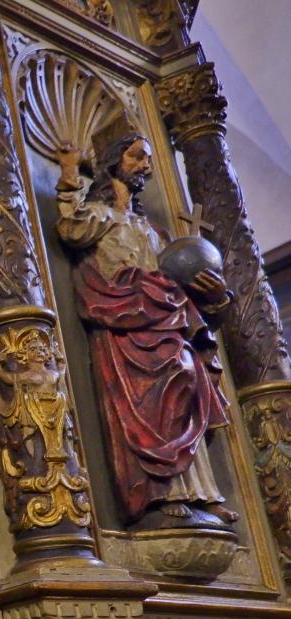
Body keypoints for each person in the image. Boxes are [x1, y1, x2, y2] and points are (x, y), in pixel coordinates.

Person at [56, 133, 235, 528]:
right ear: (112, 160)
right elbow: (70, 229)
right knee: (147, 405)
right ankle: (160, 494)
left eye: (148, 159)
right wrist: (70, 172)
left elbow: (183, 281)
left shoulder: (154, 231)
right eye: (137, 156)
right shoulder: (100, 217)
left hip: (167, 323)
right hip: (126, 330)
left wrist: (214, 294)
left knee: (187, 386)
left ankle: (202, 493)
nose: (146, 166)